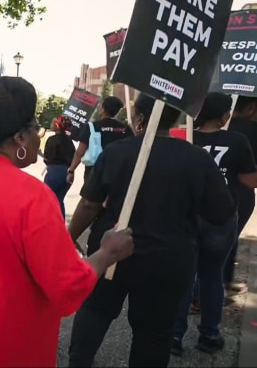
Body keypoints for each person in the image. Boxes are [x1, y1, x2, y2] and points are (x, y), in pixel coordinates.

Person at [0, 76, 134, 367]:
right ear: (19, 137)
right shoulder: (34, 197)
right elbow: (67, 288)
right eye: (35, 129)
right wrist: (107, 254)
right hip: (11, 347)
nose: (39, 136)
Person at [67, 94, 236, 367]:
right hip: (168, 259)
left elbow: (88, 204)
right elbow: (220, 212)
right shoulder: (198, 159)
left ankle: (78, 361)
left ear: (141, 119)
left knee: (95, 310)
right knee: (154, 334)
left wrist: (69, 236)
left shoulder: (117, 151)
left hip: (113, 251)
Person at [171, 92, 257, 355]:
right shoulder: (237, 141)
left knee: (184, 276)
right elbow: (251, 182)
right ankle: (209, 335)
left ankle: (174, 336)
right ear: (224, 116)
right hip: (220, 217)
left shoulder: (183, 136)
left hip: (185, 215)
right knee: (212, 277)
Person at [224, 96, 257, 290]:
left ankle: (223, 281)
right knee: (227, 238)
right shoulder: (251, 131)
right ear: (251, 108)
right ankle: (209, 288)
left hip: (213, 190)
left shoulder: (216, 127)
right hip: (240, 194)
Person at [67, 96, 131, 184]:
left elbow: (80, 152)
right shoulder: (125, 129)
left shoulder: (92, 127)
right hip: (116, 172)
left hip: (94, 172)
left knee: (89, 197)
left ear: (103, 109)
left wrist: (71, 170)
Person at [43, 115, 76, 219]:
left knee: (48, 199)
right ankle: (60, 222)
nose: (51, 124)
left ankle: (48, 222)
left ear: (57, 125)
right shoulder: (69, 141)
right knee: (59, 199)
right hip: (67, 172)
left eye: (53, 122)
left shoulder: (52, 140)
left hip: (54, 172)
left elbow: (48, 156)